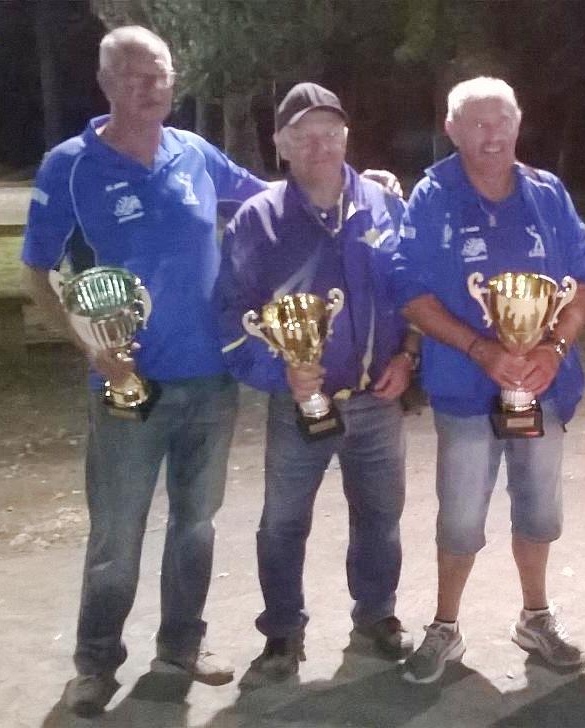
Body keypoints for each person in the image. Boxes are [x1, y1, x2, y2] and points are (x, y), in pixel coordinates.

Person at [21, 27, 271, 716]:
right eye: (135, 75)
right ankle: (96, 662)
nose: (151, 86)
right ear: (106, 83)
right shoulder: (70, 166)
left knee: (196, 526)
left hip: (212, 379)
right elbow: (35, 273)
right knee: (117, 535)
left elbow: (268, 200)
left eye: (159, 73)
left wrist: (339, 181)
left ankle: (181, 645)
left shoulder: (195, 154)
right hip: (127, 386)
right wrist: (87, 345)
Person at [389, 77, 585, 684]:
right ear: (451, 129)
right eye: (477, 123)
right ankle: (446, 627)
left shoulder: (546, 193)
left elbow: (584, 280)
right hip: (464, 386)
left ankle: (536, 616)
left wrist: (555, 348)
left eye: (502, 120)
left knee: (538, 512)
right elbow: (410, 291)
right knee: (459, 518)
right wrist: (481, 348)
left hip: (543, 385)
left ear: (518, 122)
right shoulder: (433, 195)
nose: (493, 134)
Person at [214, 82, 417, 682]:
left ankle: (376, 616)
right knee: (283, 521)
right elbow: (230, 311)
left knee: (380, 516)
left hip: (378, 401)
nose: (319, 145)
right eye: (303, 135)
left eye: (330, 132)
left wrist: (408, 357)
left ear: (346, 137)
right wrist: (277, 371)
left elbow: (413, 294)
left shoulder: (385, 206)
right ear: (281, 144)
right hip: (297, 405)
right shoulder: (258, 220)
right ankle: (282, 632)